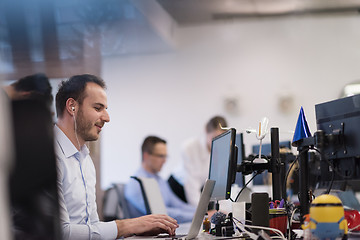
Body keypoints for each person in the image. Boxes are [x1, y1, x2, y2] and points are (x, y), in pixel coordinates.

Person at [54, 74, 178, 240]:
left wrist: (134, 230)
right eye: (98, 108)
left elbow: (92, 228)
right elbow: (58, 233)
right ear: (72, 106)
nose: (107, 117)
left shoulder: (85, 160)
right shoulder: (48, 157)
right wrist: (126, 226)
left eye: (106, 109)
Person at [125, 136, 196, 223]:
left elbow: (178, 205)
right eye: (161, 156)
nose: (164, 161)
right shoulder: (136, 183)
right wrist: (196, 216)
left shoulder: (160, 180)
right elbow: (159, 213)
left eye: (166, 156)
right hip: (146, 235)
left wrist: (202, 212)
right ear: (146, 156)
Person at [169, 116, 228, 206]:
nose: (218, 142)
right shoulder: (190, 147)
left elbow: (219, 183)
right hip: (178, 188)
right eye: (215, 137)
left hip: (200, 188)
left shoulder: (222, 150)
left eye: (221, 138)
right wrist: (202, 213)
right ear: (206, 131)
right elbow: (191, 182)